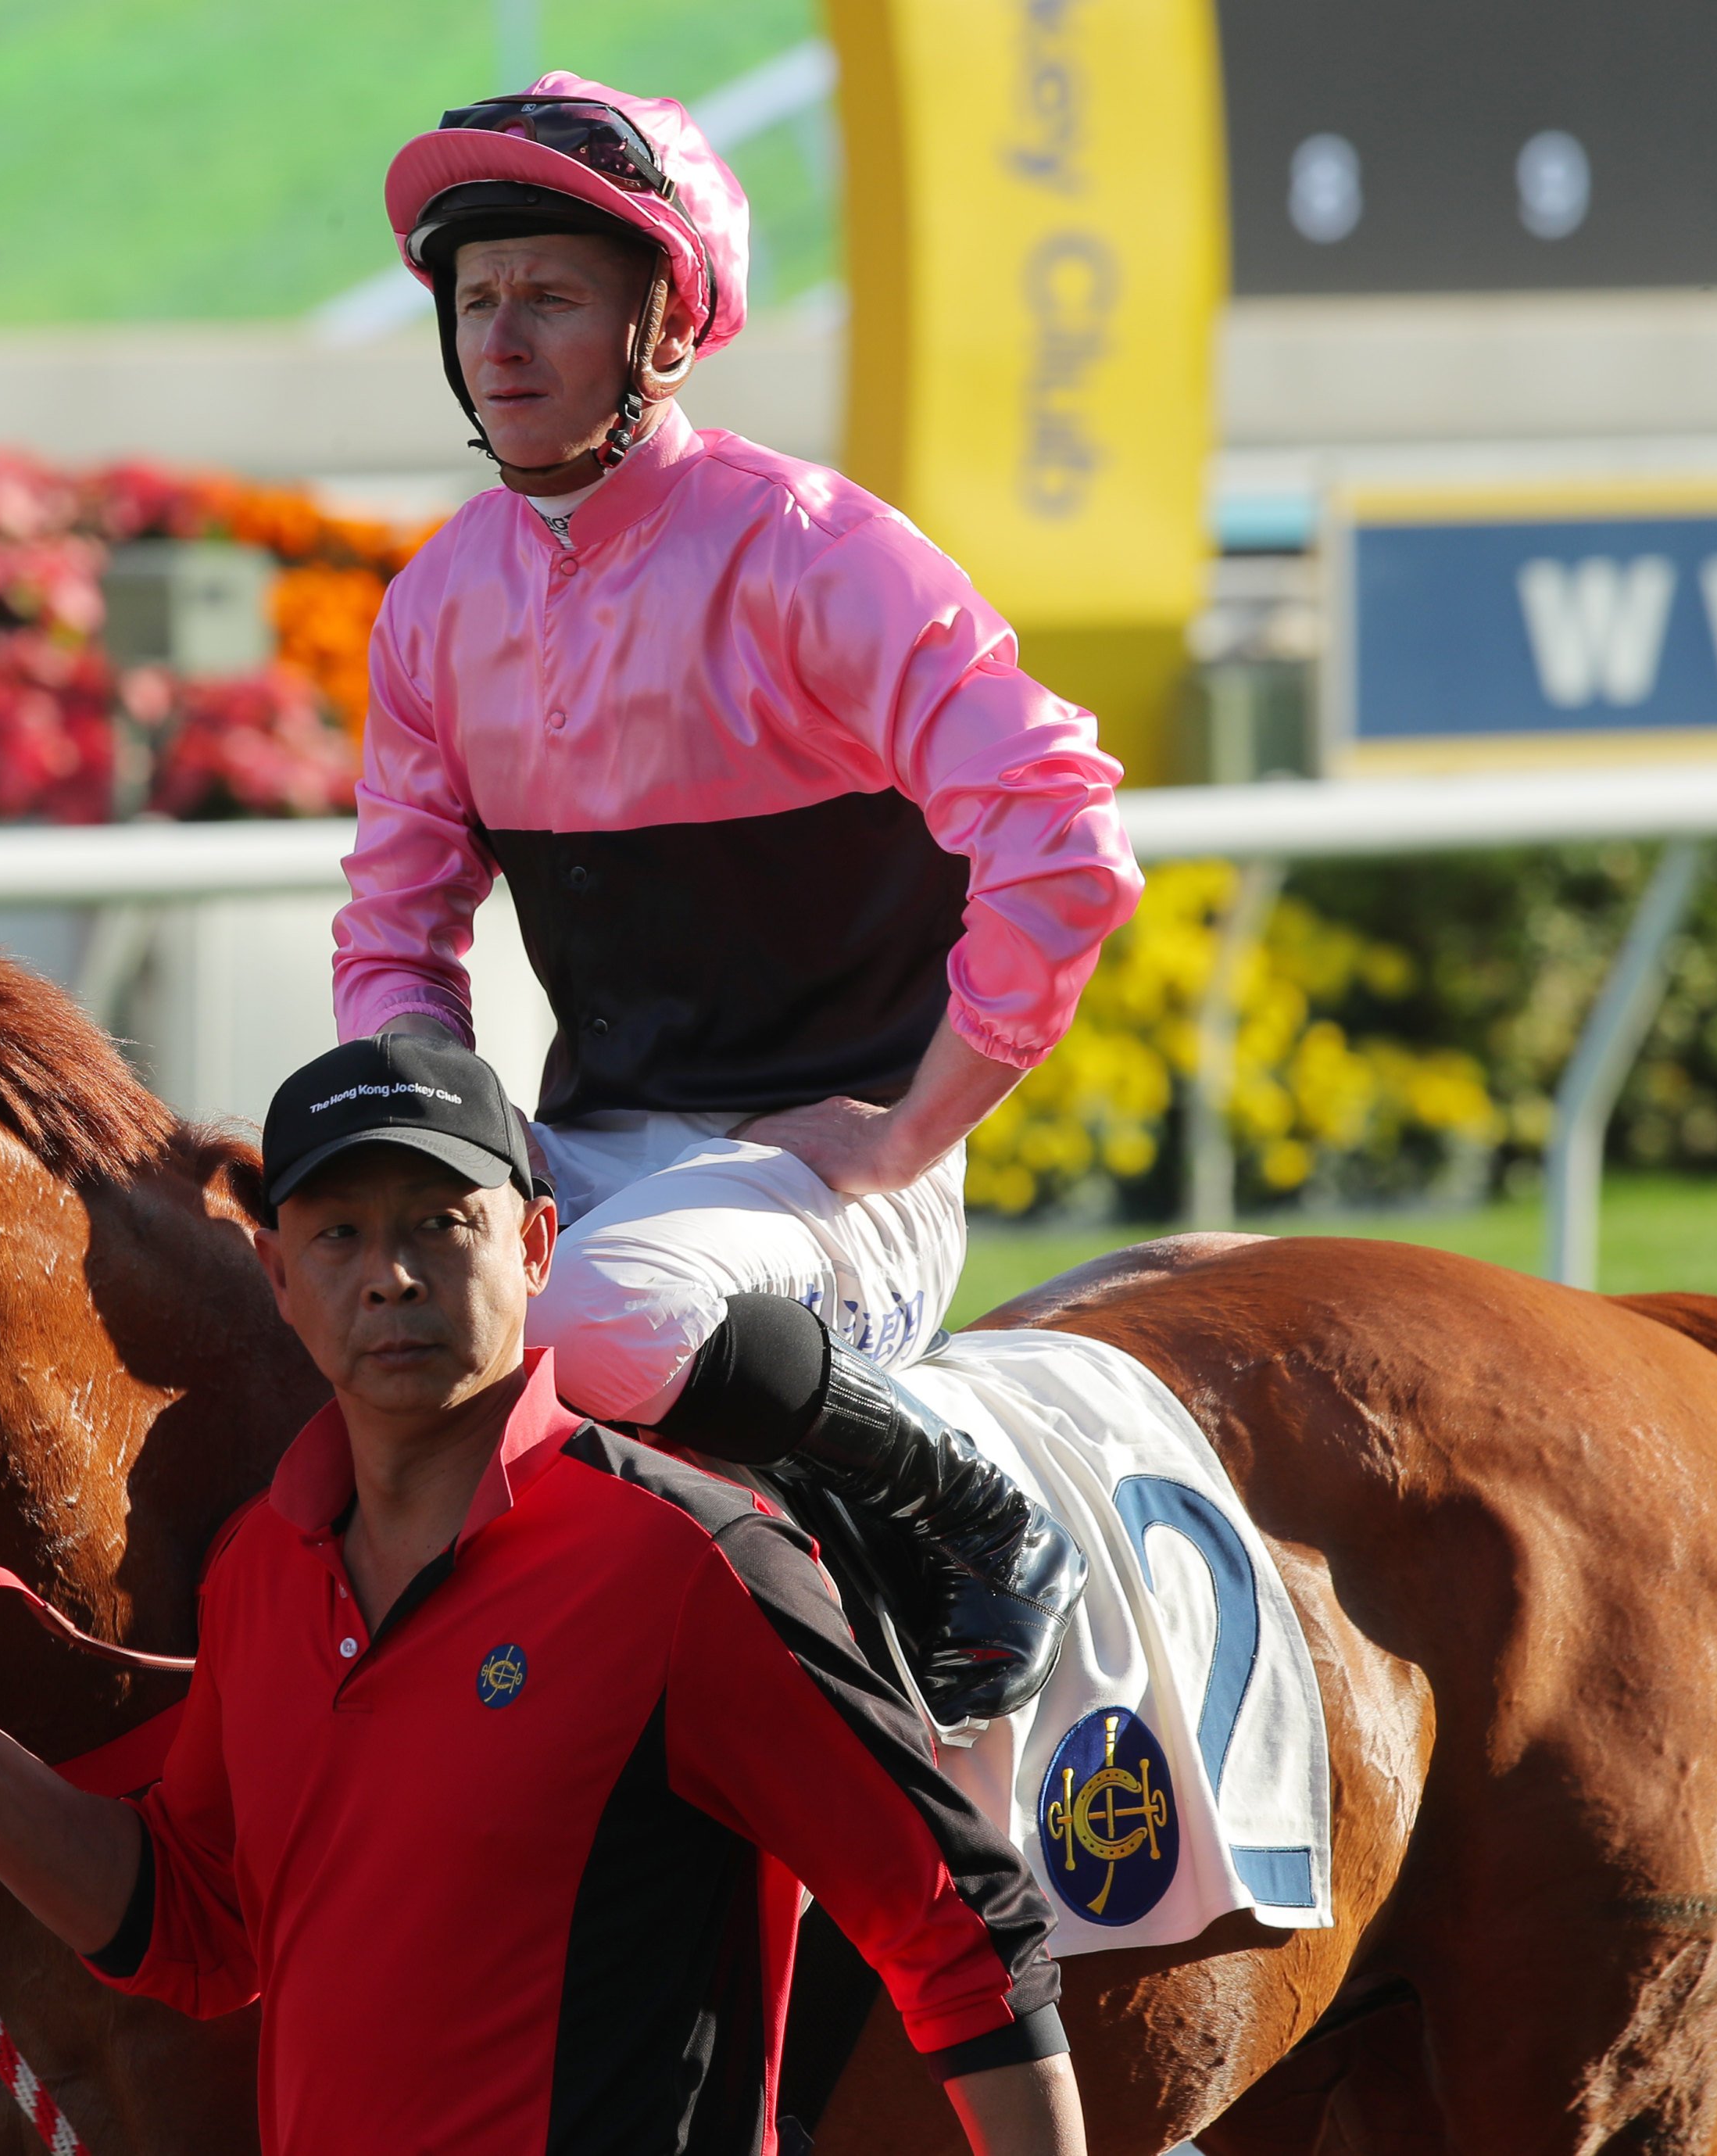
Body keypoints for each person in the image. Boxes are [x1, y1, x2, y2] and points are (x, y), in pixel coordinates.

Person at [0, 1034, 1085, 2156]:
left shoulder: (688, 1563)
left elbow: (960, 1927)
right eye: (339, 1232)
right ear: (279, 1277)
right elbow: (199, 1926)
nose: (389, 1274)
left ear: (536, 1244)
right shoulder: (259, 1572)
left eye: (441, 1223)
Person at [338, 80, 1143, 1727]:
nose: (503, 342)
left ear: (663, 325)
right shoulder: (435, 603)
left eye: (552, 297)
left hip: (831, 1183)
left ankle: (961, 1503)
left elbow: (1062, 833)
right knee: (270, 1293)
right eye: (477, 301)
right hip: (589, 1157)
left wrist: (909, 1131)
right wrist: (434, 1142)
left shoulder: (815, 552)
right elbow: (395, 937)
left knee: (588, 1319)